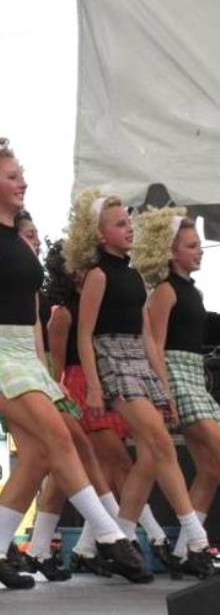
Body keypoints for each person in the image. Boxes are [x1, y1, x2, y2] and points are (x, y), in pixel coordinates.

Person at [0, 137, 147, 586]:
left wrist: (42, 365)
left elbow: (29, 312)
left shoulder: (16, 239)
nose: (22, 183)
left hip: (24, 355)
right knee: (57, 435)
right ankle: (111, 534)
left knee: (39, 453)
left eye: (21, 175)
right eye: (12, 176)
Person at [65, 189, 213, 579]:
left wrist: (163, 386)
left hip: (139, 361)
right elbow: (85, 335)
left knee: (149, 456)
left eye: (128, 222)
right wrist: (94, 386)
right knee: (160, 444)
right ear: (99, 235)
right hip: (113, 360)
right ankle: (195, 538)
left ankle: (121, 539)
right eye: (119, 224)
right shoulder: (97, 276)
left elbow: (149, 338)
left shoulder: (133, 276)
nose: (128, 228)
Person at [135, 207, 220, 577]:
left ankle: (188, 550)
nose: (199, 251)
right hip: (176, 376)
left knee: (210, 469)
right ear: (172, 252)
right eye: (191, 246)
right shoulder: (166, 291)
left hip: (193, 374)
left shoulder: (193, 290)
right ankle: (193, 545)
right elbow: (154, 342)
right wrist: (164, 390)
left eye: (199, 245)